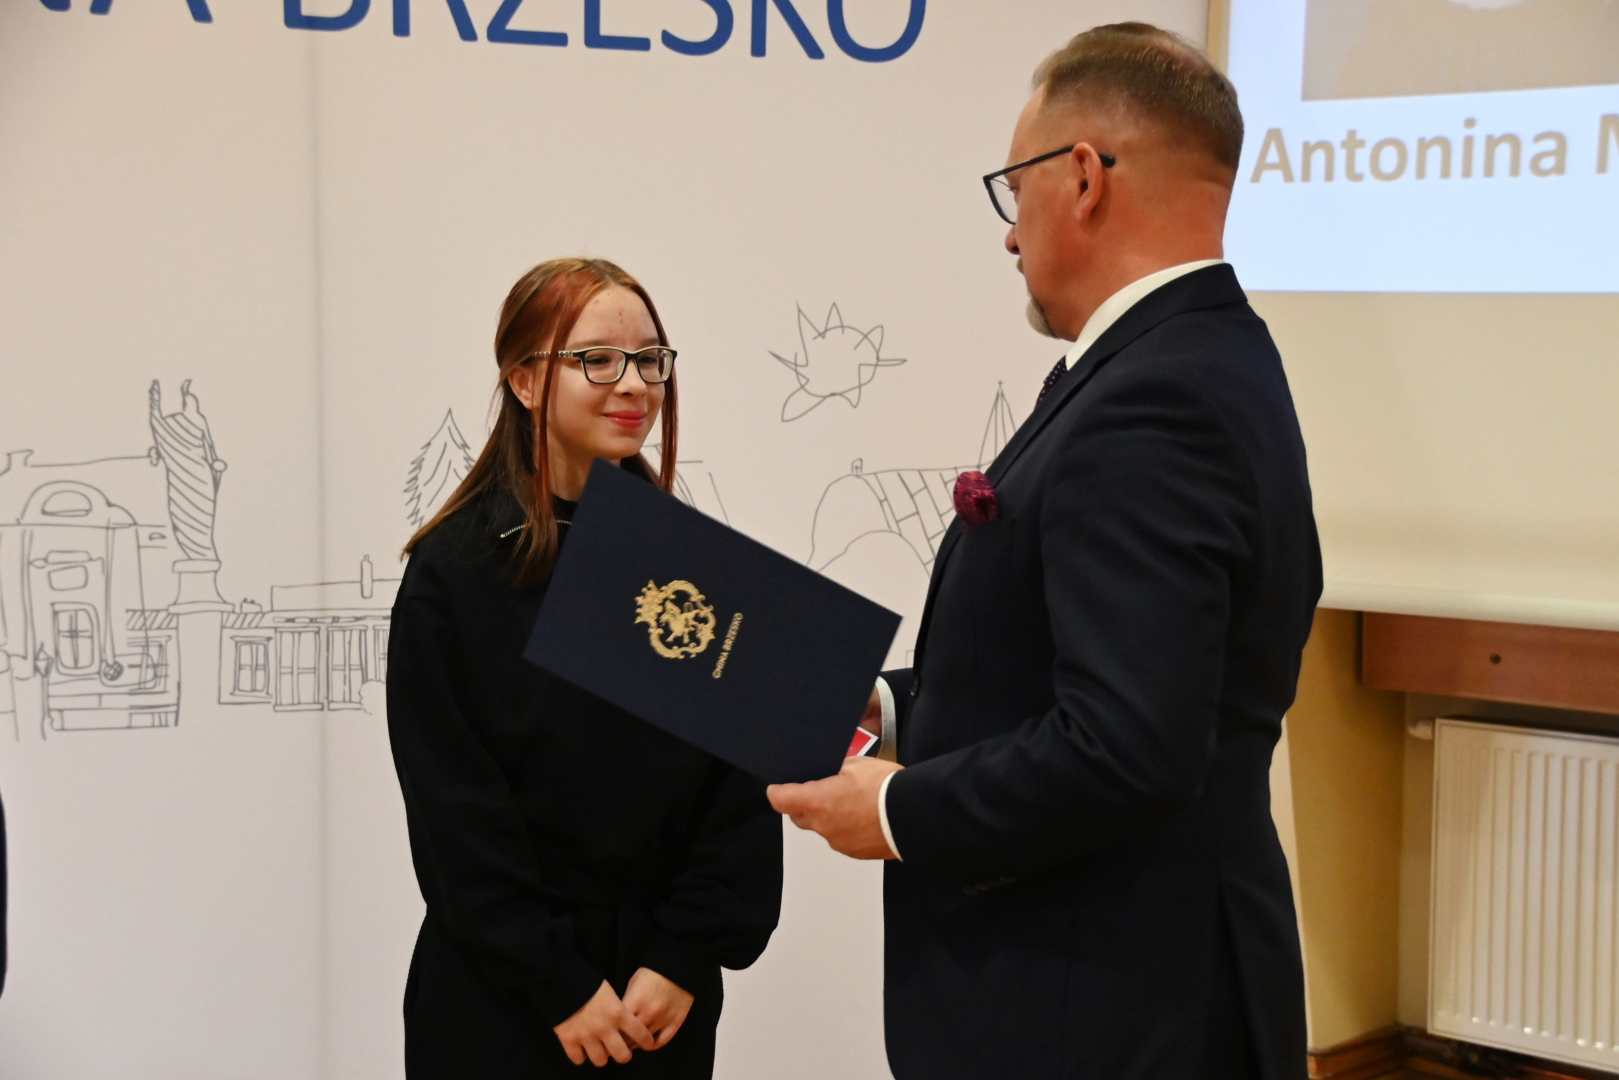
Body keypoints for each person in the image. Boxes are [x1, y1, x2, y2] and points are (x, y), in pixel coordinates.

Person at [769, 24, 1321, 1080]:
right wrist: (884, 707)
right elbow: (1086, 675)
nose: (1009, 235)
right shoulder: (1198, 358)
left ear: (1080, 178)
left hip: (1107, 1003)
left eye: (1012, 188)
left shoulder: (1154, 398)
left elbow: (1125, 745)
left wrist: (892, 807)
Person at [387, 258, 783, 1079]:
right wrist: (558, 979)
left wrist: (682, 956)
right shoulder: (455, 571)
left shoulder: (688, 563)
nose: (633, 384)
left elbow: (738, 790)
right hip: (500, 996)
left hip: (656, 1002)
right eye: (596, 360)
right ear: (525, 381)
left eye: (650, 359)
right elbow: (454, 810)